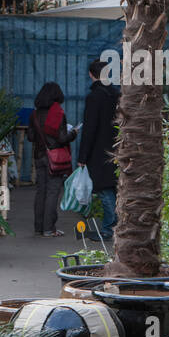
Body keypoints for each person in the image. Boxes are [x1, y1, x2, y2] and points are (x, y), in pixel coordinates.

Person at [78, 57, 121, 240]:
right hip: (117, 148)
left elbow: (90, 128)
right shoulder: (116, 95)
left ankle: (109, 228)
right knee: (114, 188)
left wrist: (82, 156)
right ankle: (115, 226)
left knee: (104, 190)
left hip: (98, 151)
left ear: (90, 74)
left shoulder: (94, 97)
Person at [28, 81, 76, 237]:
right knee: (53, 192)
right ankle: (49, 228)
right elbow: (62, 138)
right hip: (54, 158)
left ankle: (38, 227)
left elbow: (30, 137)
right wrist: (73, 133)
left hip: (39, 156)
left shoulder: (34, 114)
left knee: (41, 191)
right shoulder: (58, 113)